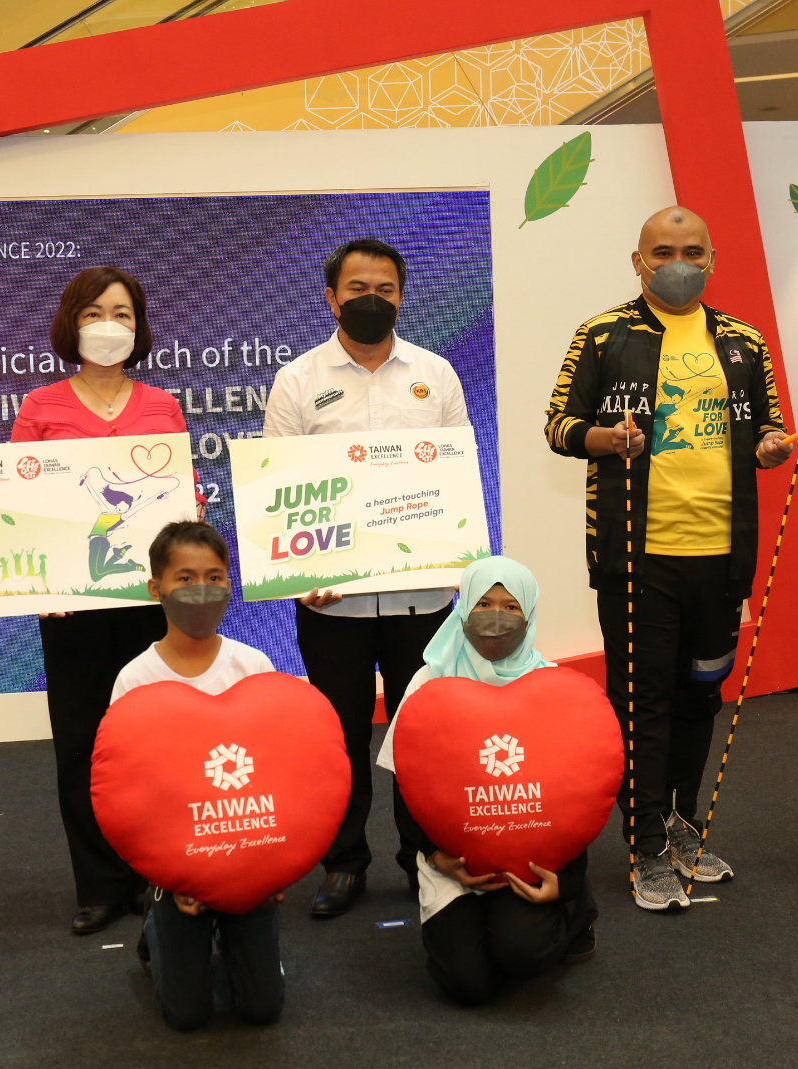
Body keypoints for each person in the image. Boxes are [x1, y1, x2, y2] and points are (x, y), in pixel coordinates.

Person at [545, 206, 792, 911]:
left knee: (699, 696)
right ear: (637, 260)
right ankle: (645, 841)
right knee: (641, 702)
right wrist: (604, 439)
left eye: (691, 250)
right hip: (638, 558)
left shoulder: (743, 340)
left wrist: (770, 446)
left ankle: (682, 823)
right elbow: (559, 423)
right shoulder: (603, 334)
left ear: (712, 258)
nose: (677, 261)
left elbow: (768, 423)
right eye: (663, 250)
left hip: (721, 559)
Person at [262, 238, 471, 917]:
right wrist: (302, 572)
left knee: (418, 734)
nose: (371, 298)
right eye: (357, 287)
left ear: (401, 296)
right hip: (334, 604)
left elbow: (454, 479)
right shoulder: (297, 380)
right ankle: (345, 861)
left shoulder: (435, 375)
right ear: (331, 297)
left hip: (423, 598)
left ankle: (421, 857)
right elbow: (278, 486)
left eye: (384, 287)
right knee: (340, 738)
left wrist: (452, 556)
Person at [13, 266, 200, 935]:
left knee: (156, 742)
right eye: (95, 311)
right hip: (72, 608)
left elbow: (185, 506)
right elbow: (19, 508)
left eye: (123, 313)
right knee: (84, 747)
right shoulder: (39, 407)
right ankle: (98, 884)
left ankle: (160, 870)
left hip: (149, 606)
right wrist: (37, 583)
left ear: (138, 327)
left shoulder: (162, 406)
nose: (109, 325)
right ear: (71, 322)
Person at [376, 556, 597, 1005]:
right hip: (450, 857)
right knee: (466, 983)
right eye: (484, 603)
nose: (496, 617)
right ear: (463, 610)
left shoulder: (552, 687)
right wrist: (437, 857)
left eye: (511, 607)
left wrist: (568, 879)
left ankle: (579, 913)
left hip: (528, 851)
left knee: (523, 954)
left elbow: (576, 792)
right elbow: (408, 786)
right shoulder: (428, 683)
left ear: (530, 614)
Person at [112, 521, 282, 1031]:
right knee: (186, 1014)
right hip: (176, 863)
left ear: (231, 583)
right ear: (155, 588)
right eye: (184, 578)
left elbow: (282, 772)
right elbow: (129, 792)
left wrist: (276, 866)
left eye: (214, 576)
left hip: (248, 855)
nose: (201, 589)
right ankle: (157, 924)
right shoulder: (134, 679)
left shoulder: (254, 667)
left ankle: (238, 931)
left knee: (261, 1009)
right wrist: (170, 875)